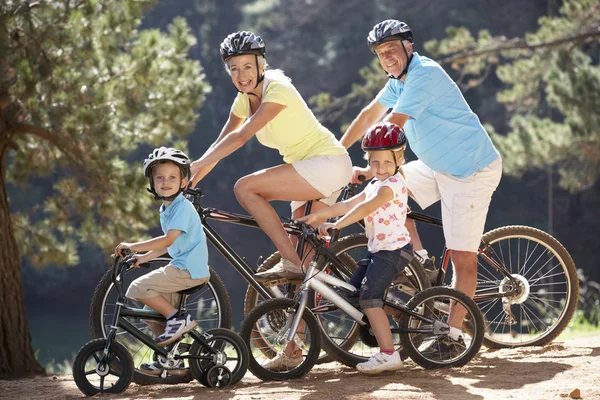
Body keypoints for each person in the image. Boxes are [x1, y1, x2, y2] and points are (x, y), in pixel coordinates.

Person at [340, 19, 503, 353]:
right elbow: (372, 112)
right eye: (380, 53)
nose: (387, 57)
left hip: (470, 170)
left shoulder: (424, 74)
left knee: (462, 260)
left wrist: (370, 167)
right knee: (384, 192)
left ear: (408, 47)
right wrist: (339, 154)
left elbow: (391, 125)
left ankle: (452, 338)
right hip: (436, 167)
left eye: (392, 50)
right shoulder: (397, 81)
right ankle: (419, 257)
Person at [189, 31, 352, 284]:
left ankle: (289, 263)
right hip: (309, 170)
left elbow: (241, 137)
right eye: (234, 69)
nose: (242, 76)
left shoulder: (278, 88)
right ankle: (302, 320)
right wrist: (189, 182)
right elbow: (219, 145)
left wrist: (196, 166)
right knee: (304, 264)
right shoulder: (244, 100)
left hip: (327, 163)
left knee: (245, 188)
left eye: (247, 66)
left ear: (261, 64)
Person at [300, 122, 412, 374]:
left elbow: (365, 209)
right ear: (369, 162)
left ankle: (388, 353)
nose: (380, 168)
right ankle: (393, 314)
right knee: (353, 294)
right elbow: (351, 203)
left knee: (369, 299)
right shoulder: (374, 185)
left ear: (398, 160)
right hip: (378, 250)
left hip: (392, 251)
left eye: (386, 163)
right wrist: (321, 216)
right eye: (375, 163)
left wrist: (337, 225)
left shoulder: (390, 186)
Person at [115, 147, 210, 375]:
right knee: (150, 314)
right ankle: (172, 360)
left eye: (172, 178)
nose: (165, 182)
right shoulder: (167, 208)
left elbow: (168, 238)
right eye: (160, 178)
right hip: (181, 267)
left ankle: (178, 319)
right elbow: (167, 246)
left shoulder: (182, 208)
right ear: (153, 183)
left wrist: (132, 246)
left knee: (138, 287)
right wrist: (143, 258)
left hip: (188, 270)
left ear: (183, 182)